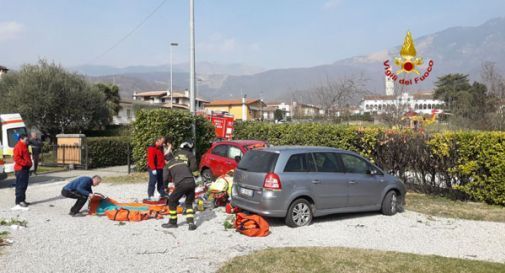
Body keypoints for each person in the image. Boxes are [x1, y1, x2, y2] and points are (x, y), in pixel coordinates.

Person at [162, 140, 197, 231]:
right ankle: (191, 223)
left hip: (182, 183)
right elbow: (191, 170)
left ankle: (173, 222)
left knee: (172, 201)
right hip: (192, 182)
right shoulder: (182, 162)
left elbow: (165, 178)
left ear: (166, 160)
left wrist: (165, 187)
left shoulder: (168, 165)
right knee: (188, 203)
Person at [12, 134, 32, 211]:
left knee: (24, 185)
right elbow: (16, 158)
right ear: (21, 139)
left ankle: (22, 200)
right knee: (20, 185)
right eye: (26, 140)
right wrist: (26, 163)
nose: (27, 141)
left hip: (25, 169)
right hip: (21, 169)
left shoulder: (24, 146)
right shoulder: (18, 146)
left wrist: (29, 164)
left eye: (27, 140)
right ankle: (19, 201)